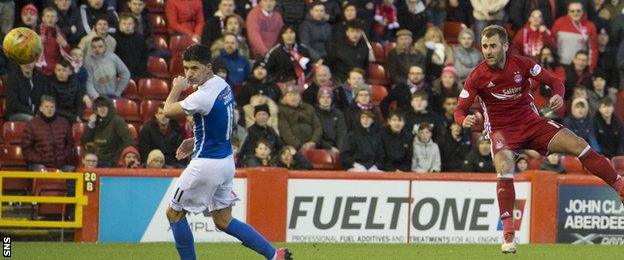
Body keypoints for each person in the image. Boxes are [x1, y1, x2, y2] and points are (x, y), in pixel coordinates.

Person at [455, 25, 624, 254]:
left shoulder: (523, 64)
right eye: (484, 46)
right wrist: (462, 120)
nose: (487, 51)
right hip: (502, 131)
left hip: (531, 124)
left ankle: (619, 185)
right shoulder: (477, 75)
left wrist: (558, 95)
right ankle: (508, 234)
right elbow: (460, 110)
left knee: (578, 145)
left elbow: (556, 81)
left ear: (505, 46)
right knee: (504, 168)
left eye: (492, 45)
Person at [161, 44, 291, 260]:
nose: (188, 74)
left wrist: (177, 88)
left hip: (205, 165)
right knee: (223, 220)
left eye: (194, 68)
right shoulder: (222, 86)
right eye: (185, 69)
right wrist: (196, 140)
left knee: (174, 214)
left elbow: (166, 111)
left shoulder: (201, 96)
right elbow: (221, 123)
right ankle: (274, 255)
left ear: (208, 67)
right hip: (225, 162)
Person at [22, 95, 76, 171]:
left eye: (52, 107)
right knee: (42, 172)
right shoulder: (32, 125)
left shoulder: (64, 123)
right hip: (39, 165)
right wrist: (40, 159)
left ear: (55, 109)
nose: (49, 109)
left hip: (61, 164)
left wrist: (64, 157)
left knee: (75, 172)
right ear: (41, 108)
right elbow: (26, 149)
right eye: (46, 107)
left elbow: (70, 144)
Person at [81, 96, 134, 167]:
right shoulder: (94, 122)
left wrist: (115, 159)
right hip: (95, 162)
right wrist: (91, 125)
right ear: (96, 109)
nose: (102, 109)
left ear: (110, 108)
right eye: (99, 107)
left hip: (112, 162)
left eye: (104, 107)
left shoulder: (118, 121)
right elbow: (85, 142)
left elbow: (128, 141)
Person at [552, 1, 598, 71]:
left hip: (580, 67)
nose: (575, 13)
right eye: (572, 11)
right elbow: (552, 43)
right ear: (568, 12)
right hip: (560, 65)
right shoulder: (559, 23)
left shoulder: (590, 26)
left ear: (583, 11)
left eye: (578, 11)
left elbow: (593, 49)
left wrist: (591, 67)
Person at [138, 103, 185, 168]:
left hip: (173, 166)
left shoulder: (176, 129)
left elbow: (180, 153)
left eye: (166, 114)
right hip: (154, 166)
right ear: (156, 115)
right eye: (160, 113)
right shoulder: (147, 130)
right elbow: (144, 154)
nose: (164, 116)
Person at [278, 85, 322, 150]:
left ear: (300, 97)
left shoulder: (309, 108)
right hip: (293, 148)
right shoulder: (281, 111)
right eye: (290, 95)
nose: (293, 97)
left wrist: (313, 141)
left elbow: (317, 126)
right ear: (284, 98)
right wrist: (299, 145)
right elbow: (285, 132)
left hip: (312, 146)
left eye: (295, 94)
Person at [49, 59, 89, 123]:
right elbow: (53, 106)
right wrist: (72, 116)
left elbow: (79, 102)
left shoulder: (75, 82)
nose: (61, 73)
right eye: (58, 70)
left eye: (64, 70)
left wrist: (78, 115)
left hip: (74, 114)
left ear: (70, 72)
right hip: (59, 115)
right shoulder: (51, 84)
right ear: (55, 71)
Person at [36, 7, 71, 76]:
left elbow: (67, 54)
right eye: (48, 16)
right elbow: (29, 51)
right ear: (43, 18)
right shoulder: (36, 31)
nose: (50, 19)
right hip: (39, 68)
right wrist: (36, 43)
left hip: (55, 69)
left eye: (53, 16)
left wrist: (65, 45)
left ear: (57, 19)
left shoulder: (60, 33)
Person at [114, 13, 148, 79]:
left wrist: (139, 72)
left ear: (134, 25)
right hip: (119, 74)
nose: (127, 26)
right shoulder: (114, 39)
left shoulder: (140, 38)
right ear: (119, 24)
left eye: (130, 24)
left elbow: (144, 57)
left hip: (138, 73)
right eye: (124, 24)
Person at [314, 87, 346, 152]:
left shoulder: (338, 113)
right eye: (323, 97)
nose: (326, 100)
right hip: (319, 148)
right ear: (318, 99)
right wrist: (329, 147)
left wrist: (340, 149)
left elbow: (341, 133)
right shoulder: (313, 113)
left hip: (336, 148)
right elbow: (315, 135)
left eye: (328, 97)